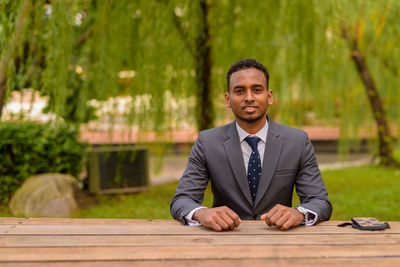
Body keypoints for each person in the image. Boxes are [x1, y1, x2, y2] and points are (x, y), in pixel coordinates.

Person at [170, 58, 332, 231]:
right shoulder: (207, 142)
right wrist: (202, 213)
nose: (249, 98)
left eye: (257, 90)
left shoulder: (297, 141)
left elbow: (320, 201)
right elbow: (182, 199)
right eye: (239, 91)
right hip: (224, 239)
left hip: (280, 240)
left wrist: (298, 213)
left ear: (269, 97)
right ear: (227, 99)